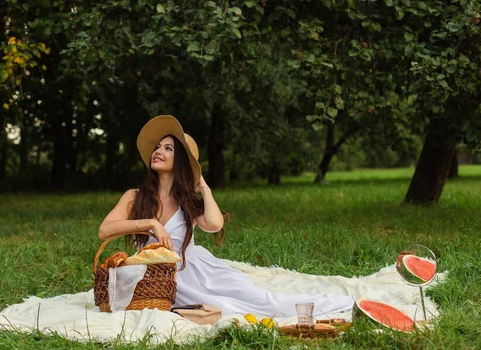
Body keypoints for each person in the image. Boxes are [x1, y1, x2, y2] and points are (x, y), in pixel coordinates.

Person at [98, 115, 354, 318]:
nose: (158, 151)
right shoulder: (135, 196)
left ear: (181, 163)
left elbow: (214, 224)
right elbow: (105, 230)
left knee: (259, 300)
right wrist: (151, 223)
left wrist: (204, 187)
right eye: (157, 147)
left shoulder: (187, 201)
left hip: (195, 268)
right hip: (157, 278)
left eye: (168, 148)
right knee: (224, 308)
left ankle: (340, 303)